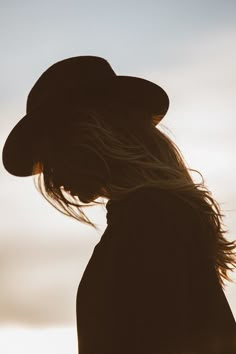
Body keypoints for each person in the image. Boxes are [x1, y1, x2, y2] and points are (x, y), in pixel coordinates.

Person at [2, 55, 236, 353]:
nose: (54, 178)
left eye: (52, 156)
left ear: (90, 132)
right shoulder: (156, 215)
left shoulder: (150, 218)